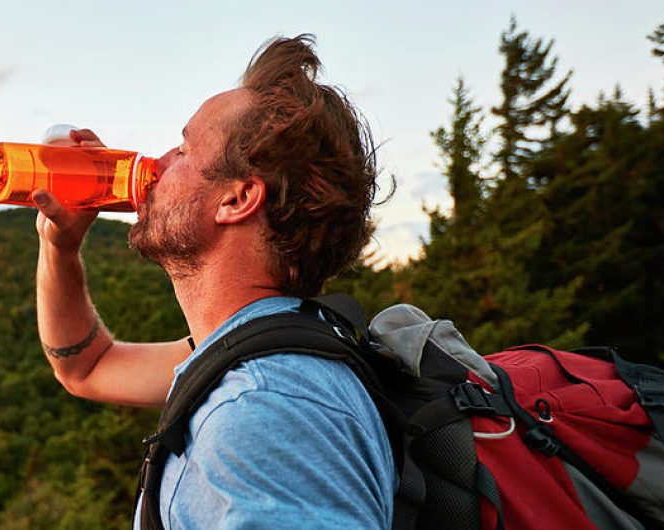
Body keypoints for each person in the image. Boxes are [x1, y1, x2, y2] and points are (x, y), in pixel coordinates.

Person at [31, 34, 395, 529]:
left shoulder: (263, 407)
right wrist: (59, 247)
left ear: (237, 199)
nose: (154, 165)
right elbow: (85, 368)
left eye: (182, 149)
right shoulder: (246, 354)